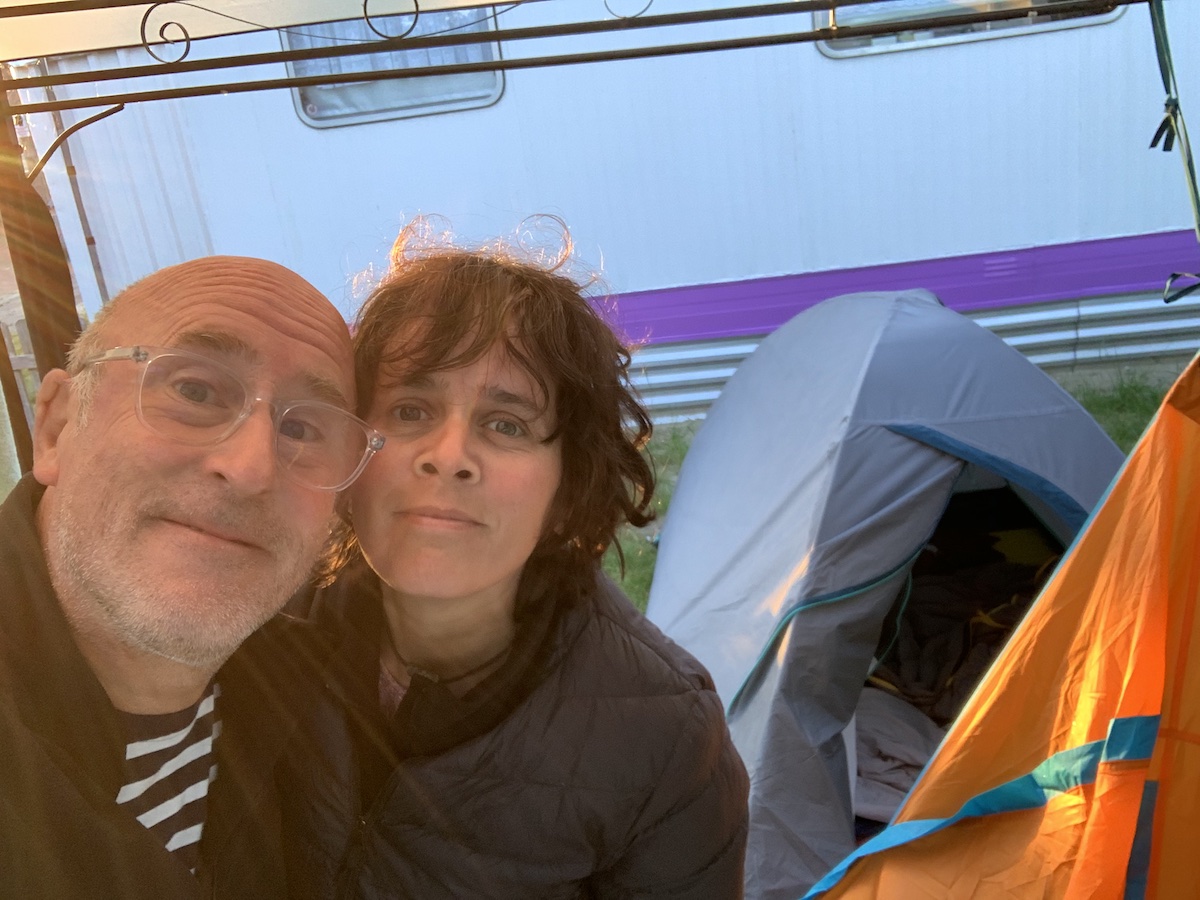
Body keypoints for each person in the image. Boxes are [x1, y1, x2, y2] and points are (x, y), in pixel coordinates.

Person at [282, 222, 750, 899]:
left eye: (506, 424)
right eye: (410, 409)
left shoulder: (667, 738)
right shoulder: (260, 632)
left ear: (568, 490)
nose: (448, 455)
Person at [0, 256, 382, 899]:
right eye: (196, 391)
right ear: (58, 427)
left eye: (301, 427)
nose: (252, 468)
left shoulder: (316, 695)